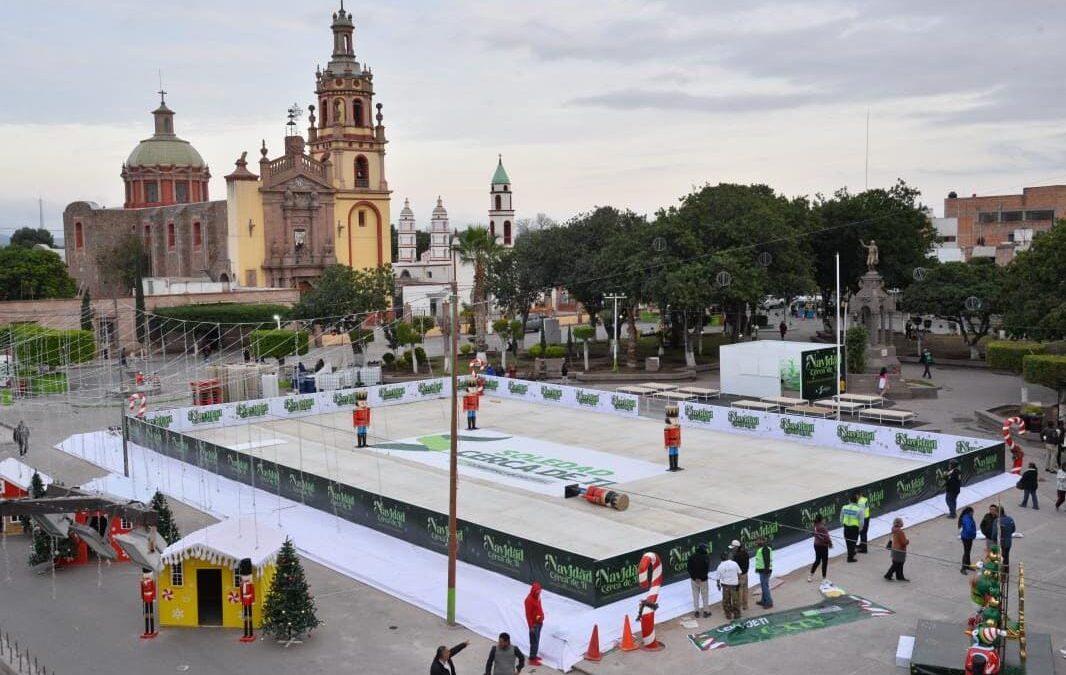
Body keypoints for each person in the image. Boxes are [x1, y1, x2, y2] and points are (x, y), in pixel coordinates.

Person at [715, 550, 742, 621]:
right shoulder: (734, 563)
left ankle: (728, 615)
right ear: (727, 557)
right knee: (735, 600)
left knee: (726, 601)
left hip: (725, 586)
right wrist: (738, 580)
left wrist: (718, 585)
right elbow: (739, 573)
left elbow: (718, 578)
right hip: (734, 586)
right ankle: (737, 614)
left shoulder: (720, 566)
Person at [687, 544, 711, 618]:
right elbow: (706, 569)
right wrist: (700, 578)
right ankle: (706, 611)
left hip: (694, 580)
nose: (706, 550)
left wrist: (695, 577)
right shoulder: (706, 557)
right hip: (703, 580)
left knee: (695, 596)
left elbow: (689, 569)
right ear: (703, 549)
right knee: (705, 596)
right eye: (705, 548)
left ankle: (696, 611)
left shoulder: (691, 557)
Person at [523, 582, 544, 666]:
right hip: (534, 625)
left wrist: (542, 616)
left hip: (539, 622)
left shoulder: (538, 597)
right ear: (533, 591)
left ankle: (534, 655)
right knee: (534, 641)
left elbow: (540, 607)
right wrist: (531, 626)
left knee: (537, 640)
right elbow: (528, 615)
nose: (539, 593)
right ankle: (532, 659)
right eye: (537, 592)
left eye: (539, 592)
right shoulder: (528, 600)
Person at [840, 492, 864, 562]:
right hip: (854, 528)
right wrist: (860, 529)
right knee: (853, 542)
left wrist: (843, 524)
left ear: (849, 500)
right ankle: (850, 557)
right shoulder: (859, 510)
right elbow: (861, 521)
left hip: (846, 527)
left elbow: (841, 517)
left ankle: (851, 553)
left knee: (848, 542)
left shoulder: (844, 507)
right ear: (857, 502)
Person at [884, 517, 909, 582]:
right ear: (900, 523)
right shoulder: (900, 532)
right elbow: (903, 542)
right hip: (900, 550)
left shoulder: (894, 529)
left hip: (894, 549)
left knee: (897, 563)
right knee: (898, 564)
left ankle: (899, 576)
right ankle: (889, 575)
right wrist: (907, 541)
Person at [808, 514, 832, 582]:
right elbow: (827, 537)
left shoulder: (815, 526)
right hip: (823, 546)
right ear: (821, 520)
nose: (824, 520)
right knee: (825, 561)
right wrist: (830, 543)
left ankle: (810, 576)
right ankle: (824, 578)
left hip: (816, 545)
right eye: (823, 519)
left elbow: (812, 534)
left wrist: (816, 534)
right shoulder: (823, 527)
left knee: (817, 560)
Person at [753, 536, 773, 609]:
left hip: (765, 571)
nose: (756, 542)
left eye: (757, 540)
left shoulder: (765, 549)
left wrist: (766, 571)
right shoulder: (764, 548)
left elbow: (766, 560)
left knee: (765, 587)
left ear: (762, 541)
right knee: (764, 586)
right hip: (763, 570)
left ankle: (769, 602)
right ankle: (763, 600)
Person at [731, 539, 750, 611]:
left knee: (739, 591)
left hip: (739, 576)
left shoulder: (736, 556)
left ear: (736, 547)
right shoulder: (745, 553)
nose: (732, 549)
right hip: (745, 574)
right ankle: (745, 605)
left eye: (733, 547)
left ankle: (738, 606)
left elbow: (735, 568)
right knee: (745, 590)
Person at [958, 506, 976, 574]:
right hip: (967, 537)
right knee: (966, 552)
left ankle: (968, 565)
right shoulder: (967, 519)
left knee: (968, 552)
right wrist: (973, 533)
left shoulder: (967, 517)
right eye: (972, 512)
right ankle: (963, 568)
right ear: (970, 512)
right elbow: (968, 529)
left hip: (967, 537)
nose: (973, 513)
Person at [857, 489, 871, 554]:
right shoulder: (865, 499)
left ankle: (864, 549)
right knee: (863, 533)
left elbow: (860, 512)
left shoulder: (860, 502)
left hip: (863, 519)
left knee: (863, 533)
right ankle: (862, 545)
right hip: (867, 517)